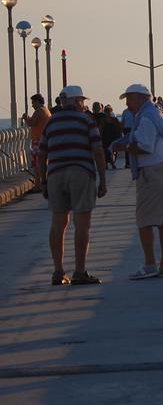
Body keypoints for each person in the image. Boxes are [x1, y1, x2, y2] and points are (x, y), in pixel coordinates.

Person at [36, 85, 107, 286]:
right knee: (82, 224)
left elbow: (42, 153)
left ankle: (58, 272)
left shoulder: (50, 122)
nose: (83, 104)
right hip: (81, 173)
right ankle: (79, 271)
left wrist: (43, 181)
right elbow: (98, 150)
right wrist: (102, 179)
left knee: (58, 224)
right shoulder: (87, 120)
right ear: (76, 101)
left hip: (56, 175)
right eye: (82, 101)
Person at [112, 83, 163, 280]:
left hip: (153, 170)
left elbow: (144, 146)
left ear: (140, 98)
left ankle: (150, 264)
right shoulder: (161, 113)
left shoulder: (147, 117)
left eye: (129, 99)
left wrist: (121, 147)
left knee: (145, 220)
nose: (127, 104)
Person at [23, 93, 51, 186]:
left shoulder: (39, 110)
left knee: (36, 163)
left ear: (37, 102)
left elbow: (31, 123)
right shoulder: (46, 110)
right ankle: (43, 182)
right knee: (43, 162)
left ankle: (38, 184)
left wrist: (26, 118)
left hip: (38, 141)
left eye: (33, 103)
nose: (32, 105)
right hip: (44, 140)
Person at [101, 104, 123, 169]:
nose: (108, 113)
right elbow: (101, 129)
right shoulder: (103, 120)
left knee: (113, 151)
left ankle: (112, 163)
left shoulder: (115, 119)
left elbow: (119, 128)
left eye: (109, 111)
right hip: (105, 138)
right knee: (106, 152)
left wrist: (119, 136)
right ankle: (108, 164)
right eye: (107, 111)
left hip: (112, 137)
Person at [120, 104, 134, 169]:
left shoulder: (135, 111)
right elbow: (123, 122)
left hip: (134, 129)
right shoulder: (125, 112)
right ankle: (127, 163)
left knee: (133, 146)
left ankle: (133, 162)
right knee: (127, 146)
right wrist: (122, 130)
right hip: (126, 129)